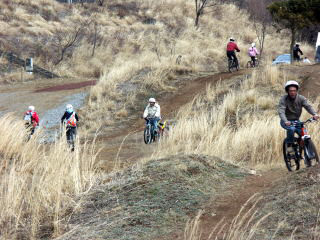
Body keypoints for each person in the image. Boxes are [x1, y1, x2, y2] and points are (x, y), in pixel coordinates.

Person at [278, 81, 319, 162]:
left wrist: (315, 114)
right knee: (291, 129)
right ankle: (290, 149)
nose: (292, 92)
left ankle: (303, 152)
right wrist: (286, 121)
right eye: (290, 91)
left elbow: (308, 106)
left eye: (294, 90)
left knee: (304, 134)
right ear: (287, 91)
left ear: (296, 90)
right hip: (285, 121)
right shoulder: (283, 99)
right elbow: (281, 111)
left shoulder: (301, 98)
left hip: (296, 121)